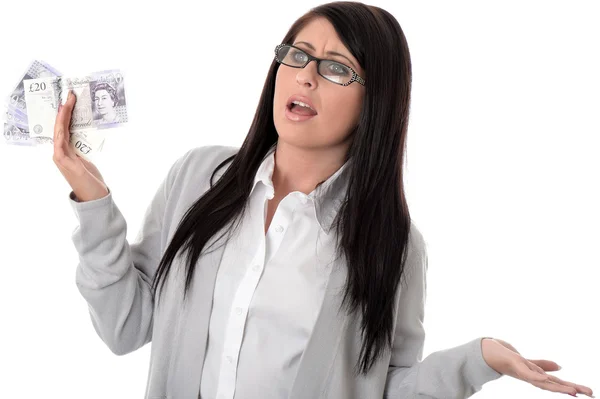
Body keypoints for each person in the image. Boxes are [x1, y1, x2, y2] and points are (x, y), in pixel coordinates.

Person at [52, 2, 594, 398]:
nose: (306, 76)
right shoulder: (199, 178)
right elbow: (125, 329)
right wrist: (93, 200)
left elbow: (387, 386)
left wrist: (479, 359)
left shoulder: (393, 245)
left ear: (375, 100)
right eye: (299, 55)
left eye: (336, 67)